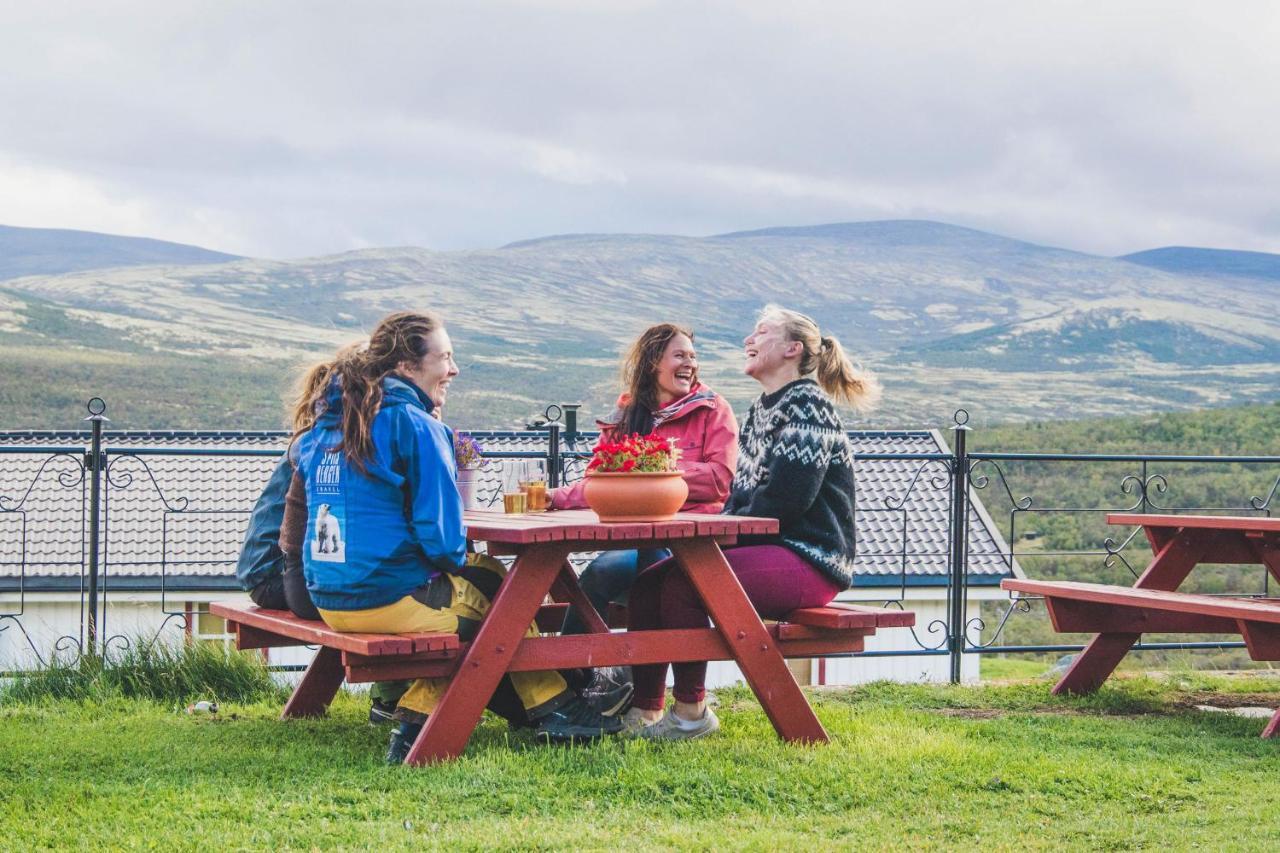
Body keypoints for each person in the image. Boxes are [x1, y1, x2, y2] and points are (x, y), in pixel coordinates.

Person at [290, 310, 620, 763]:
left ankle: (555, 705)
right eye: (445, 357)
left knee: (489, 577)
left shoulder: (330, 424)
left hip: (329, 598)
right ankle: (439, 720)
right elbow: (443, 542)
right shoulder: (416, 425)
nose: (454, 369)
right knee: (501, 611)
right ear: (408, 366)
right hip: (385, 598)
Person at [621, 304, 881, 740]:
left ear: (791, 349)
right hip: (769, 549)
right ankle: (644, 712)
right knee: (648, 583)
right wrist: (723, 530)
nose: (749, 339)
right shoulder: (764, 408)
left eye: (761, 332)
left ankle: (690, 715)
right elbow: (742, 498)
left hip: (810, 559)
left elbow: (785, 502)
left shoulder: (807, 405)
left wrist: (722, 535)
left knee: (688, 583)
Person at [548, 323, 738, 714]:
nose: (690, 364)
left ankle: (647, 698)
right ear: (653, 362)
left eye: (693, 356)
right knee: (596, 576)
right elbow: (601, 478)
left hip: (690, 544)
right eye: (680, 356)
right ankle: (564, 690)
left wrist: (654, 470)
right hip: (636, 541)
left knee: (651, 573)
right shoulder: (628, 412)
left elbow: (720, 481)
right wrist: (555, 498)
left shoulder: (713, 409)